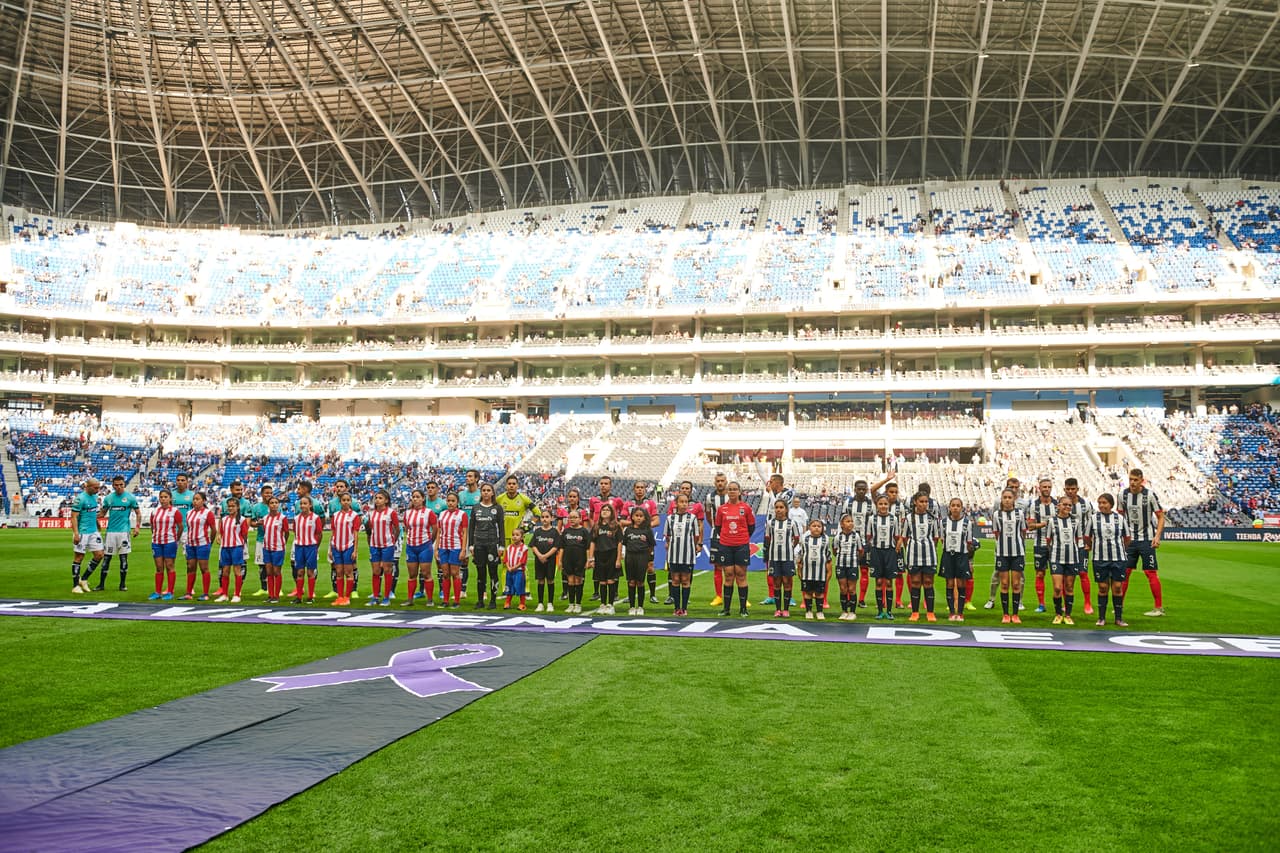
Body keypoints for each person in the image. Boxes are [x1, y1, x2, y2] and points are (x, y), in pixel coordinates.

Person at [1119, 468, 1166, 617]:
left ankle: (1158, 608)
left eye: (1135, 480)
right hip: (1129, 541)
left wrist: (1157, 537)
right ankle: (1119, 606)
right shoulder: (1123, 495)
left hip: (1146, 540)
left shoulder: (1149, 495)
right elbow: (1119, 517)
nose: (1132, 483)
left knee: (1150, 572)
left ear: (1141, 480)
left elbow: (1160, 517)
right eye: (1130, 479)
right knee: (1124, 573)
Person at [1087, 493, 1132, 627]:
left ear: (1111, 504)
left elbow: (1127, 538)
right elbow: (1086, 536)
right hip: (1099, 559)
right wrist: (1093, 546)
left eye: (1104, 502)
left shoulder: (1120, 518)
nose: (1101, 505)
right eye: (1099, 502)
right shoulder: (1094, 519)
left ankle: (1118, 618)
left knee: (1117, 587)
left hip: (1118, 558)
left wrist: (1120, 549)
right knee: (1102, 587)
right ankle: (1101, 618)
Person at [714, 481, 755, 618]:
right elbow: (718, 527)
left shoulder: (746, 508)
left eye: (734, 489)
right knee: (729, 575)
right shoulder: (722, 509)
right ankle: (726, 609)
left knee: (741, 575)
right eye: (730, 489)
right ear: (727, 491)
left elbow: (751, 527)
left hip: (741, 545)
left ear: (739, 491)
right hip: (726, 545)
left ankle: (743, 609)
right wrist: (728, 537)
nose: (732, 491)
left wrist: (741, 537)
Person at [983, 476, 1024, 610]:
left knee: (1019, 577)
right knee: (997, 574)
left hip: (1018, 548)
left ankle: (1020, 602)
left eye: (1016, 487)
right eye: (1011, 487)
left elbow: (1023, 529)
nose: (1014, 489)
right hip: (1001, 548)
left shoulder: (1023, 504)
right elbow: (996, 530)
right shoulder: (997, 504)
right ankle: (991, 599)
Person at [900, 492, 941, 622]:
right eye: (921, 501)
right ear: (915, 502)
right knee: (916, 582)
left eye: (926, 502)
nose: (924, 504)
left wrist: (928, 547)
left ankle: (930, 612)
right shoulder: (908, 518)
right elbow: (905, 537)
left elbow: (935, 537)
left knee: (928, 582)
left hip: (929, 554)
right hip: (913, 554)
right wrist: (911, 548)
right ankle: (915, 612)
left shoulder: (932, 518)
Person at [96, 475, 141, 592]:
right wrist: (91, 517)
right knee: (106, 559)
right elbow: (102, 513)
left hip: (124, 532)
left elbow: (138, 513)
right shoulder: (108, 498)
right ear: (113, 485)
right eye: (116, 485)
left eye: (121, 485)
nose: (119, 487)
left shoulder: (130, 498)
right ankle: (101, 584)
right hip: (111, 532)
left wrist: (137, 527)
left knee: (123, 559)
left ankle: (122, 584)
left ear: (124, 485)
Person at [1045, 495, 1085, 625]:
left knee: (1069, 587)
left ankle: (1067, 615)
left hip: (1072, 558)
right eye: (1064, 504)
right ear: (1058, 506)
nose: (1067, 507)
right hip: (1056, 558)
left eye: (1069, 505)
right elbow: (1048, 540)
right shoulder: (1052, 521)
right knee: (1057, 588)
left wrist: (1079, 555)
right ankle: (1058, 614)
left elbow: (1079, 539)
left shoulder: (1075, 521)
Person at [991, 488, 1029, 624]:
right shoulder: (996, 515)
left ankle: (1015, 614)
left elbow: (1023, 532)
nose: (1007, 500)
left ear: (1014, 499)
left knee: (1016, 584)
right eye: (1004, 497)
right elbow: (996, 533)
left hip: (1017, 553)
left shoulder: (1019, 514)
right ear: (1001, 499)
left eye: (1009, 497)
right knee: (1005, 584)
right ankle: (1006, 614)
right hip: (1002, 553)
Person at [664, 481, 705, 607]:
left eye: (687, 488)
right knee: (674, 578)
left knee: (686, 579)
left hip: (687, 552)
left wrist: (697, 544)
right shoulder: (670, 517)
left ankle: (684, 605)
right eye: (683, 488)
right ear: (676, 503)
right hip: (674, 552)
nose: (683, 504)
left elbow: (698, 531)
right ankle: (673, 599)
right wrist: (669, 544)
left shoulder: (694, 514)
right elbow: (667, 534)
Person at [621, 481, 660, 604]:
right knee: (631, 568)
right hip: (632, 538)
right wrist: (635, 525)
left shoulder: (650, 503)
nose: (640, 490)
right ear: (634, 489)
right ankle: (631, 595)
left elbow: (657, 520)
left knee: (650, 567)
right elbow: (622, 521)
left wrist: (644, 527)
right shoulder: (628, 503)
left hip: (645, 539)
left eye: (642, 487)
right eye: (637, 487)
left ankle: (652, 595)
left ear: (645, 489)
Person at [939, 498, 977, 621]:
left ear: (961, 508)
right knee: (949, 583)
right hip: (948, 556)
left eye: (958, 505)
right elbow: (942, 540)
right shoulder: (943, 522)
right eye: (953, 505)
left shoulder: (967, 523)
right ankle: (951, 612)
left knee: (961, 584)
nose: (955, 508)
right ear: (949, 507)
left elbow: (969, 543)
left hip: (962, 556)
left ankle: (960, 613)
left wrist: (969, 561)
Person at [589, 476, 626, 601]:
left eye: (606, 483)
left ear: (611, 485)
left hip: (611, 534)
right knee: (598, 564)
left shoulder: (617, 500)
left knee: (613, 567)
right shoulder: (593, 499)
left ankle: (614, 593)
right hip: (598, 533)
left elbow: (623, 512)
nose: (603, 485)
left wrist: (617, 523)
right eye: (601, 483)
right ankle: (596, 592)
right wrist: (593, 525)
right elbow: (591, 514)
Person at [1062, 478, 1095, 615]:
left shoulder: (1085, 504)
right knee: (1066, 576)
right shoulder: (1061, 504)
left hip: (1081, 545)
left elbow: (1092, 523)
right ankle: (1066, 603)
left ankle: (1087, 603)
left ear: (1077, 489)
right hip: (1066, 546)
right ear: (1064, 489)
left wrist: (1089, 542)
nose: (1070, 491)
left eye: (1073, 489)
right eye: (1068, 489)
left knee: (1083, 573)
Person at [764, 499, 801, 619]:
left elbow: (796, 538)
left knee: (787, 582)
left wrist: (790, 547)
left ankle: (786, 609)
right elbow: (768, 538)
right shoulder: (770, 523)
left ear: (786, 509)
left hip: (788, 557)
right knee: (776, 583)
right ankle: (777, 609)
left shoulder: (792, 523)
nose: (779, 510)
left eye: (781, 507)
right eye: (777, 507)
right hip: (774, 557)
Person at [402, 488, 439, 608]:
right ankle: (410, 599)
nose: (415, 499)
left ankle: (429, 599)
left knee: (426, 573)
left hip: (424, 546)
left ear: (423, 499)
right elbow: (407, 528)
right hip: (411, 546)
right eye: (413, 497)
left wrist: (430, 542)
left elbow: (435, 529)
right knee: (412, 574)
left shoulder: (429, 512)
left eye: (418, 497)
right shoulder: (408, 513)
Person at [327, 480, 363, 601]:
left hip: (348, 546)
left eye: (348, 500)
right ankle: (340, 597)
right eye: (344, 500)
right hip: (336, 546)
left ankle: (347, 597)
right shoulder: (336, 515)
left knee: (348, 572)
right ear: (340, 501)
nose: (346, 502)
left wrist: (355, 550)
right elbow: (333, 532)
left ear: (351, 502)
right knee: (339, 572)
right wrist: (330, 549)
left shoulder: (354, 516)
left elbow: (356, 533)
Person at [470, 483, 504, 609]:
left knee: (493, 573)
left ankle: (493, 601)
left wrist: (501, 546)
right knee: (481, 573)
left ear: (492, 493)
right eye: (483, 490)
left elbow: (501, 528)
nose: (485, 492)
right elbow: (471, 527)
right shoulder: (476, 508)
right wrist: (471, 545)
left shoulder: (497, 508)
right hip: (479, 544)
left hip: (492, 544)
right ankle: (480, 600)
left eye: (488, 490)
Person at [866, 495, 900, 620]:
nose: (883, 506)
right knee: (879, 582)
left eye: (885, 504)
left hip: (890, 552)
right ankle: (880, 611)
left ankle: (889, 611)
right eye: (880, 504)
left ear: (889, 505)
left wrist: (896, 549)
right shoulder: (872, 519)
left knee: (889, 582)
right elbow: (868, 536)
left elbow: (897, 536)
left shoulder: (894, 519)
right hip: (876, 552)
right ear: (877, 505)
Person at [365, 489, 400, 607]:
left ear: (386, 500)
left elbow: (397, 528)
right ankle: (375, 596)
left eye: (380, 498)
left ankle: (386, 597)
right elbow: (370, 530)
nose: (377, 500)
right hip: (375, 545)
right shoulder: (371, 513)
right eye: (376, 498)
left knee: (387, 570)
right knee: (375, 571)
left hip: (387, 546)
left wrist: (392, 541)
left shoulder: (391, 512)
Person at [148, 489, 183, 601]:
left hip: (169, 542)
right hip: (157, 542)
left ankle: (170, 591)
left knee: (169, 566)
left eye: (165, 497)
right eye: (161, 497)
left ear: (170, 498)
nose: (163, 499)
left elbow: (180, 527)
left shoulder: (175, 511)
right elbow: (152, 526)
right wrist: (155, 535)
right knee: (159, 567)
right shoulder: (154, 511)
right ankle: (157, 592)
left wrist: (175, 539)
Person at [70, 478, 104, 595]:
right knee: (79, 557)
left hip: (93, 530)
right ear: (87, 486)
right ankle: (75, 585)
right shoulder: (80, 499)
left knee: (99, 555)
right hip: (83, 531)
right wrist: (76, 534)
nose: (97, 490)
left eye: (98, 487)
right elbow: (73, 517)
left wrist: (97, 523)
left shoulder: (94, 497)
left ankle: (83, 579)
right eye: (95, 487)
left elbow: (93, 512)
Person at [1028, 478, 1057, 613]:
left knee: (1058, 574)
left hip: (1056, 545)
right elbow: (1030, 526)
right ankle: (1041, 604)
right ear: (1039, 489)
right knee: (1040, 574)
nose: (1046, 489)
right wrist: (1046, 523)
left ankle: (1060, 603)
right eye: (1044, 487)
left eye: (1048, 487)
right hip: (1040, 544)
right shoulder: (1035, 505)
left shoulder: (1057, 504)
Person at [288, 495, 324, 604]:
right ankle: (299, 597)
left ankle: (310, 596)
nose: (303, 505)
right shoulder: (296, 518)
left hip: (311, 547)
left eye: (305, 503)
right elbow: (295, 531)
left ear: (310, 505)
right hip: (299, 547)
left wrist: (316, 547)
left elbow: (319, 533)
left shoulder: (315, 518)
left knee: (310, 572)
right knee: (299, 572)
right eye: (301, 504)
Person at [621, 506, 657, 615]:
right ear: (632, 517)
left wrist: (646, 555)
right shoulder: (628, 530)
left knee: (640, 582)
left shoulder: (647, 531)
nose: (639, 518)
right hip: (630, 557)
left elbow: (651, 546)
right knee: (631, 581)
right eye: (636, 516)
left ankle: (640, 606)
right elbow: (625, 544)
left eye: (641, 516)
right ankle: (632, 606)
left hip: (642, 557)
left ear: (645, 518)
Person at [589, 503, 623, 615]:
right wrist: (591, 558)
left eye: (608, 510)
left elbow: (619, 543)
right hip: (599, 555)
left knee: (610, 580)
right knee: (602, 581)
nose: (605, 511)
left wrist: (618, 559)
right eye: (603, 509)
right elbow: (593, 542)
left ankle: (610, 604)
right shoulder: (596, 526)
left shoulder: (616, 526)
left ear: (612, 513)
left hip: (612, 555)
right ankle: (603, 604)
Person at [213, 497, 249, 603]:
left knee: (237, 570)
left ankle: (237, 594)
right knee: (225, 571)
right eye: (229, 506)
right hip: (225, 547)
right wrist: (219, 538)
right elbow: (222, 532)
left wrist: (242, 546)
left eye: (233, 506)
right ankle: (225, 594)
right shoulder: (224, 519)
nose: (231, 508)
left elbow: (244, 534)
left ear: (238, 507)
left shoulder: (241, 520)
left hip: (236, 547)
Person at [182, 492, 217, 600]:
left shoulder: (208, 513)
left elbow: (213, 529)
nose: (195, 501)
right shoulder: (189, 513)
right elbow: (189, 528)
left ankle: (205, 593)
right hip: (191, 544)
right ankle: (188, 593)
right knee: (190, 567)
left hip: (202, 544)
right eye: (194, 499)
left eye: (197, 499)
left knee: (204, 568)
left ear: (203, 501)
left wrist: (209, 542)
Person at [437, 492, 469, 609]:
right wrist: (436, 548)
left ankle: (456, 600)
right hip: (443, 546)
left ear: (457, 502)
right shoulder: (442, 514)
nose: (450, 503)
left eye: (453, 501)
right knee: (445, 574)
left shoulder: (462, 514)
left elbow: (465, 533)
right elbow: (439, 532)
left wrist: (463, 550)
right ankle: (445, 600)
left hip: (455, 546)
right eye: (448, 501)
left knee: (455, 573)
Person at [703, 473, 731, 607]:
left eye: (722, 481)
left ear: (726, 482)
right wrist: (716, 527)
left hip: (732, 536)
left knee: (735, 568)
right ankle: (719, 596)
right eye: (718, 481)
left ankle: (739, 596)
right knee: (717, 566)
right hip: (716, 535)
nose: (720, 483)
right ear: (715, 483)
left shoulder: (732, 496)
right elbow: (708, 515)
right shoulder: (710, 497)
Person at [796, 518, 832, 620]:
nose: (816, 528)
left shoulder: (825, 540)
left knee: (819, 593)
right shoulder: (805, 540)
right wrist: (799, 569)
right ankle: (808, 611)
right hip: (807, 572)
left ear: (822, 528)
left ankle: (820, 612)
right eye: (814, 526)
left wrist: (829, 572)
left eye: (819, 526)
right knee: (808, 592)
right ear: (809, 528)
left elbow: (828, 557)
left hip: (820, 573)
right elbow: (801, 555)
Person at [457, 469, 484, 600]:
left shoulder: (482, 494)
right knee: (464, 560)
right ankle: (463, 589)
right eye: (466, 476)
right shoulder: (461, 495)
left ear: (477, 478)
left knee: (480, 561)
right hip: (464, 531)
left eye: (470, 476)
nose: (467, 478)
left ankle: (483, 590)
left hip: (479, 531)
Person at [257, 495, 288, 604]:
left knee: (276, 571)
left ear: (278, 505)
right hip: (267, 547)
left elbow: (286, 532)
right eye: (272, 503)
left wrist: (283, 543)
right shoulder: (265, 518)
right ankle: (270, 595)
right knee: (269, 572)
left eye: (276, 503)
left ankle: (276, 595)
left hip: (278, 548)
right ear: (268, 505)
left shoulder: (282, 518)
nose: (274, 505)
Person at [831, 513, 862, 621]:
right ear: (842, 524)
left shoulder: (856, 536)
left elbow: (860, 550)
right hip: (840, 565)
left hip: (852, 565)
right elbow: (834, 550)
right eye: (847, 521)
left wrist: (854, 559)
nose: (850, 523)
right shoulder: (837, 537)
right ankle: (844, 611)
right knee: (843, 589)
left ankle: (852, 612)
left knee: (852, 589)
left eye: (851, 521)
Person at [559, 509, 590, 614]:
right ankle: (571, 604)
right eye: (570, 517)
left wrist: (588, 560)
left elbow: (587, 548)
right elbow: (562, 547)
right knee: (570, 581)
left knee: (578, 580)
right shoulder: (566, 531)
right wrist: (560, 560)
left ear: (580, 519)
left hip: (580, 559)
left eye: (575, 517)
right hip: (568, 559)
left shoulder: (584, 531)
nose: (572, 519)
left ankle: (578, 604)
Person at [529, 511, 561, 612]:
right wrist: (539, 555)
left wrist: (545, 556)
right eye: (542, 517)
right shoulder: (538, 531)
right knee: (540, 580)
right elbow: (533, 545)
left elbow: (556, 547)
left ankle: (550, 603)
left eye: (547, 517)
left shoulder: (554, 532)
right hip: (539, 560)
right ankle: (540, 603)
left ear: (552, 518)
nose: (544, 519)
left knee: (550, 580)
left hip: (550, 560)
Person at [422, 481, 448, 602]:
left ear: (438, 489)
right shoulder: (423, 503)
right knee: (422, 564)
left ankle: (442, 590)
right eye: (428, 488)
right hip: (423, 537)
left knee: (439, 563)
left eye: (433, 487)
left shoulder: (442, 504)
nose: (430, 489)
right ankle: (421, 590)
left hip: (438, 537)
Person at [247, 484, 274, 597]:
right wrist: (257, 524)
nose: (269, 495)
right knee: (261, 564)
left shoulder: (275, 505)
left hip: (273, 539)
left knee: (274, 564)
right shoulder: (256, 507)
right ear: (262, 494)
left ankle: (275, 588)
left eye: (270, 493)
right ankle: (263, 588)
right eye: (266, 493)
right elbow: (251, 522)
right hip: (261, 539)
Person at [502, 528, 529, 610]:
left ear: (522, 537)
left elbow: (522, 561)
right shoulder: (509, 547)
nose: (514, 537)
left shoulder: (524, 548)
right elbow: (505, 559)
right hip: (509, 571)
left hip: (519, 571)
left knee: (519, 586)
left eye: (517, 535)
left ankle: (522, 603)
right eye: (513, 535)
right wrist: (508, 567)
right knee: (509, 586)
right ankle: (507, 602)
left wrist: (514, 568)